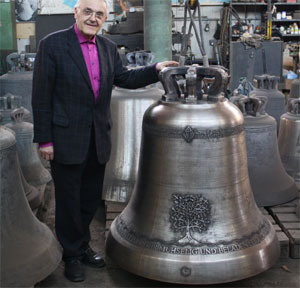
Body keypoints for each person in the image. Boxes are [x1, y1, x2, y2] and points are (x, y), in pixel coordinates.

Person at [31, 0, 178, 283]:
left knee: (88, 199)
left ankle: (82, 244)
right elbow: (41, 96)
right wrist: (45, 140)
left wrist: (156, 68)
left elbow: (124, 78)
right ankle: (71, 254)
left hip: (98, 137)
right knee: (69, 200)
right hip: (65, 138)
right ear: (76, 13)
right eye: (88, 11)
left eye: (99, 14)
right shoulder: (52, 45)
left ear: (104, 19)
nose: (93, 17)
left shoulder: (108, 48)